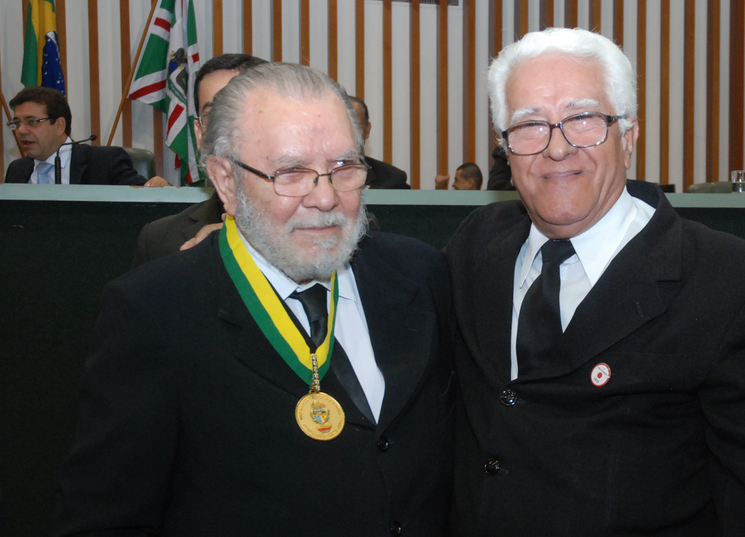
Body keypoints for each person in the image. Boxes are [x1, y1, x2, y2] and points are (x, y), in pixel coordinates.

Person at [53, 62, 454, 536]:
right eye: (291, 172)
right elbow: (105, 519)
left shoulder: (418, 273)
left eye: (343, 168)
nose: (326, 198)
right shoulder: (153, 312)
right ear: (226, 181)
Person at [447, 27, 745, 535]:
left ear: (628, 138)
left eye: (583, 118)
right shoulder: (473, 248)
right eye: (529, 125)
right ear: (505, 148)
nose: (557, 147)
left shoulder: (738, 287)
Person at [131, 54, 267, 266]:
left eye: (245, 114)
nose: (228, 131)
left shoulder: (318, 227)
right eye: (214, 117)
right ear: (199, 134)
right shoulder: (159, 241)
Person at [3, 87, 166, 186]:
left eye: (32, 121)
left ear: (59, 125)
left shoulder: (104, 162)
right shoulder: (17, 170)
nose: (21, 130)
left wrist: (159, 186)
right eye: (17, 123)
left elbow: (144, 195)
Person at [348, 95, 410, 189]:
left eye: (355, 126)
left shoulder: (393, 180)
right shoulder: (322, 176)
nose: (347, 133)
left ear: (367, 130)